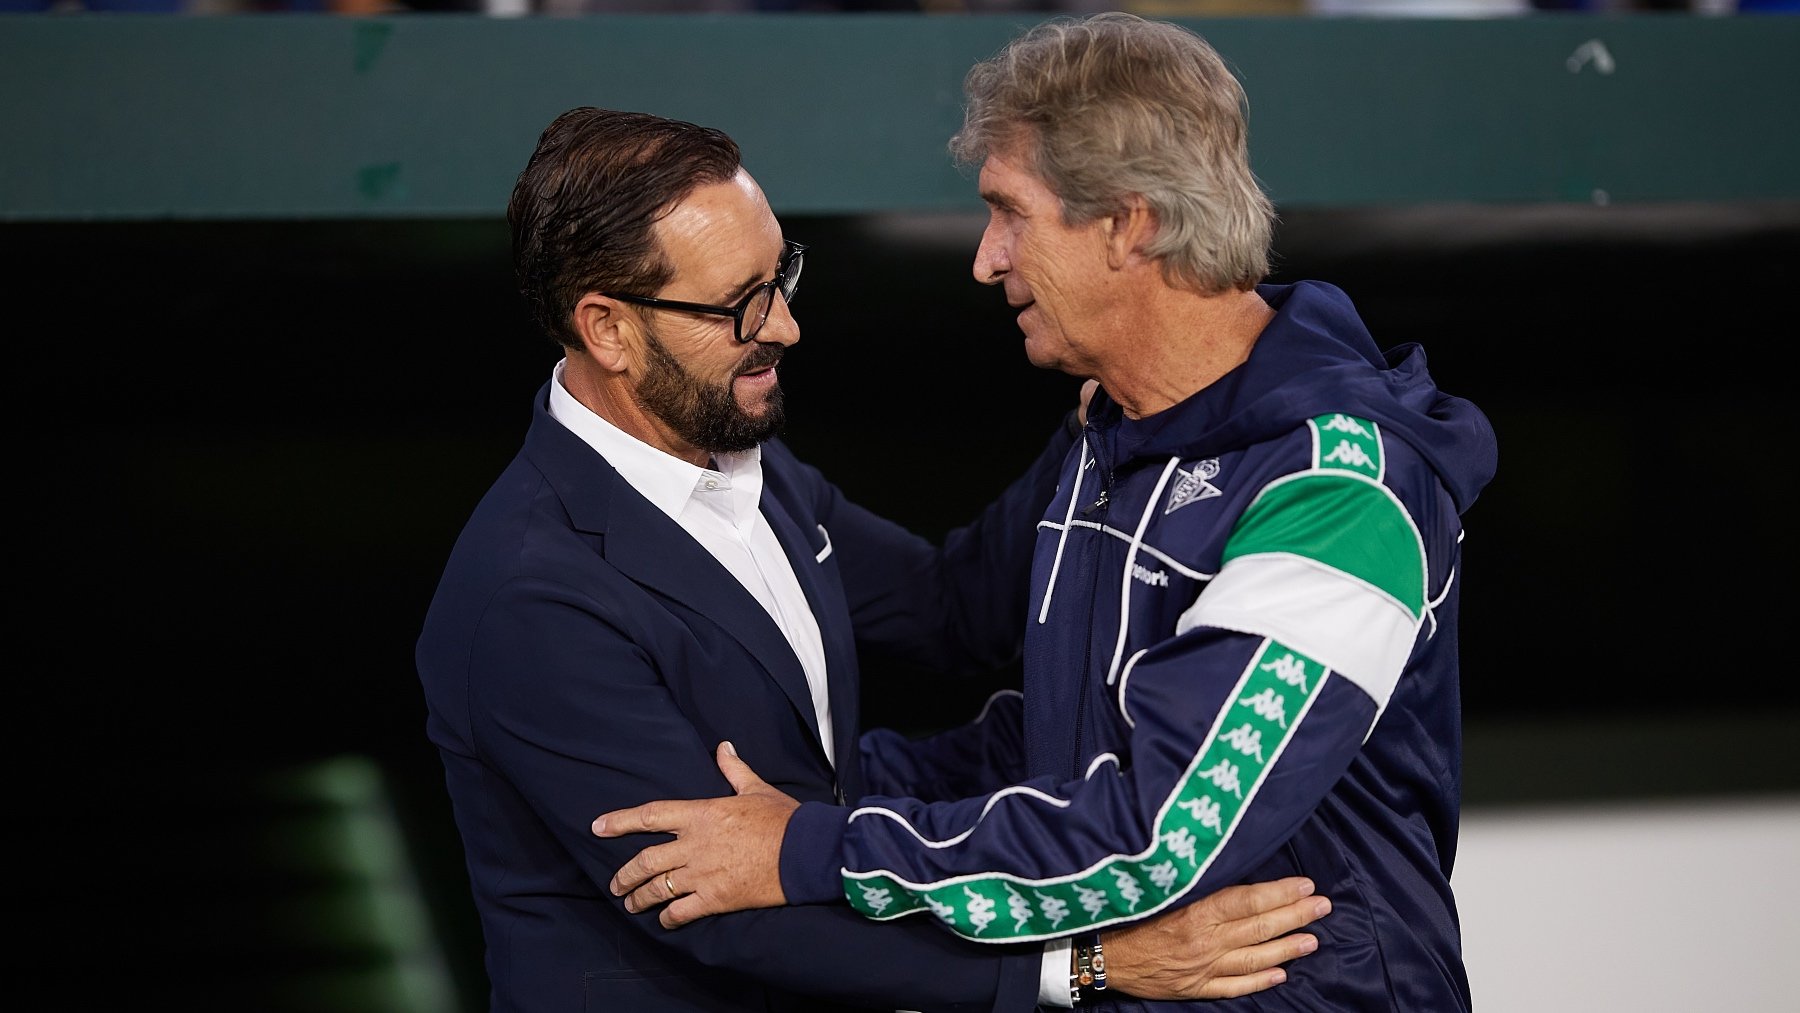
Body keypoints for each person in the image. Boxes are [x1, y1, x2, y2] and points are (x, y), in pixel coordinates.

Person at [593, 12, 1498, 1012]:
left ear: (1130, 221)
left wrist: (813, 847)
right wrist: (804, 784)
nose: (986, 259)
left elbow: (1159, 829)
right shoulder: (1112, 430)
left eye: (1009, 212)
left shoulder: (1342, 490)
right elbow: (1045, 732)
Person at [414, 104, 1331, 1013]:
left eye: (782, 278)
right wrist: (1080, 964)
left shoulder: (753, 470)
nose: (784, 328)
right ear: (608, 328)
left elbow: (949, 611)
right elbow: (724, 909)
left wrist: (1117, 405)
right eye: (739, 305)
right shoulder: (530, 595)